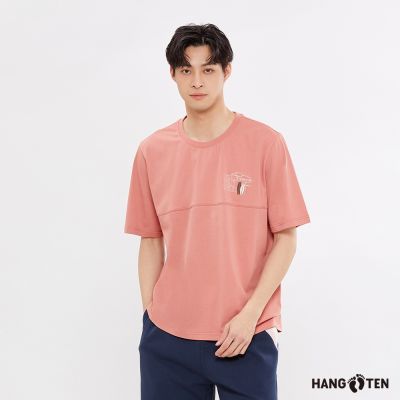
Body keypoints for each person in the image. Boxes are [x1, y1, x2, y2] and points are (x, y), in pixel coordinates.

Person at [124, 23, 310, 400]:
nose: (197, 81)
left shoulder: (266, 143)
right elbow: (150, 240)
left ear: (226, 71)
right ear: (173, 74)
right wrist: (151, 315)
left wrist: (250, 315)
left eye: (208, 69)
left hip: (245, 333)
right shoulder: (151, 151)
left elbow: (286, 238)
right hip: (168, 339)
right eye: (186, 69)